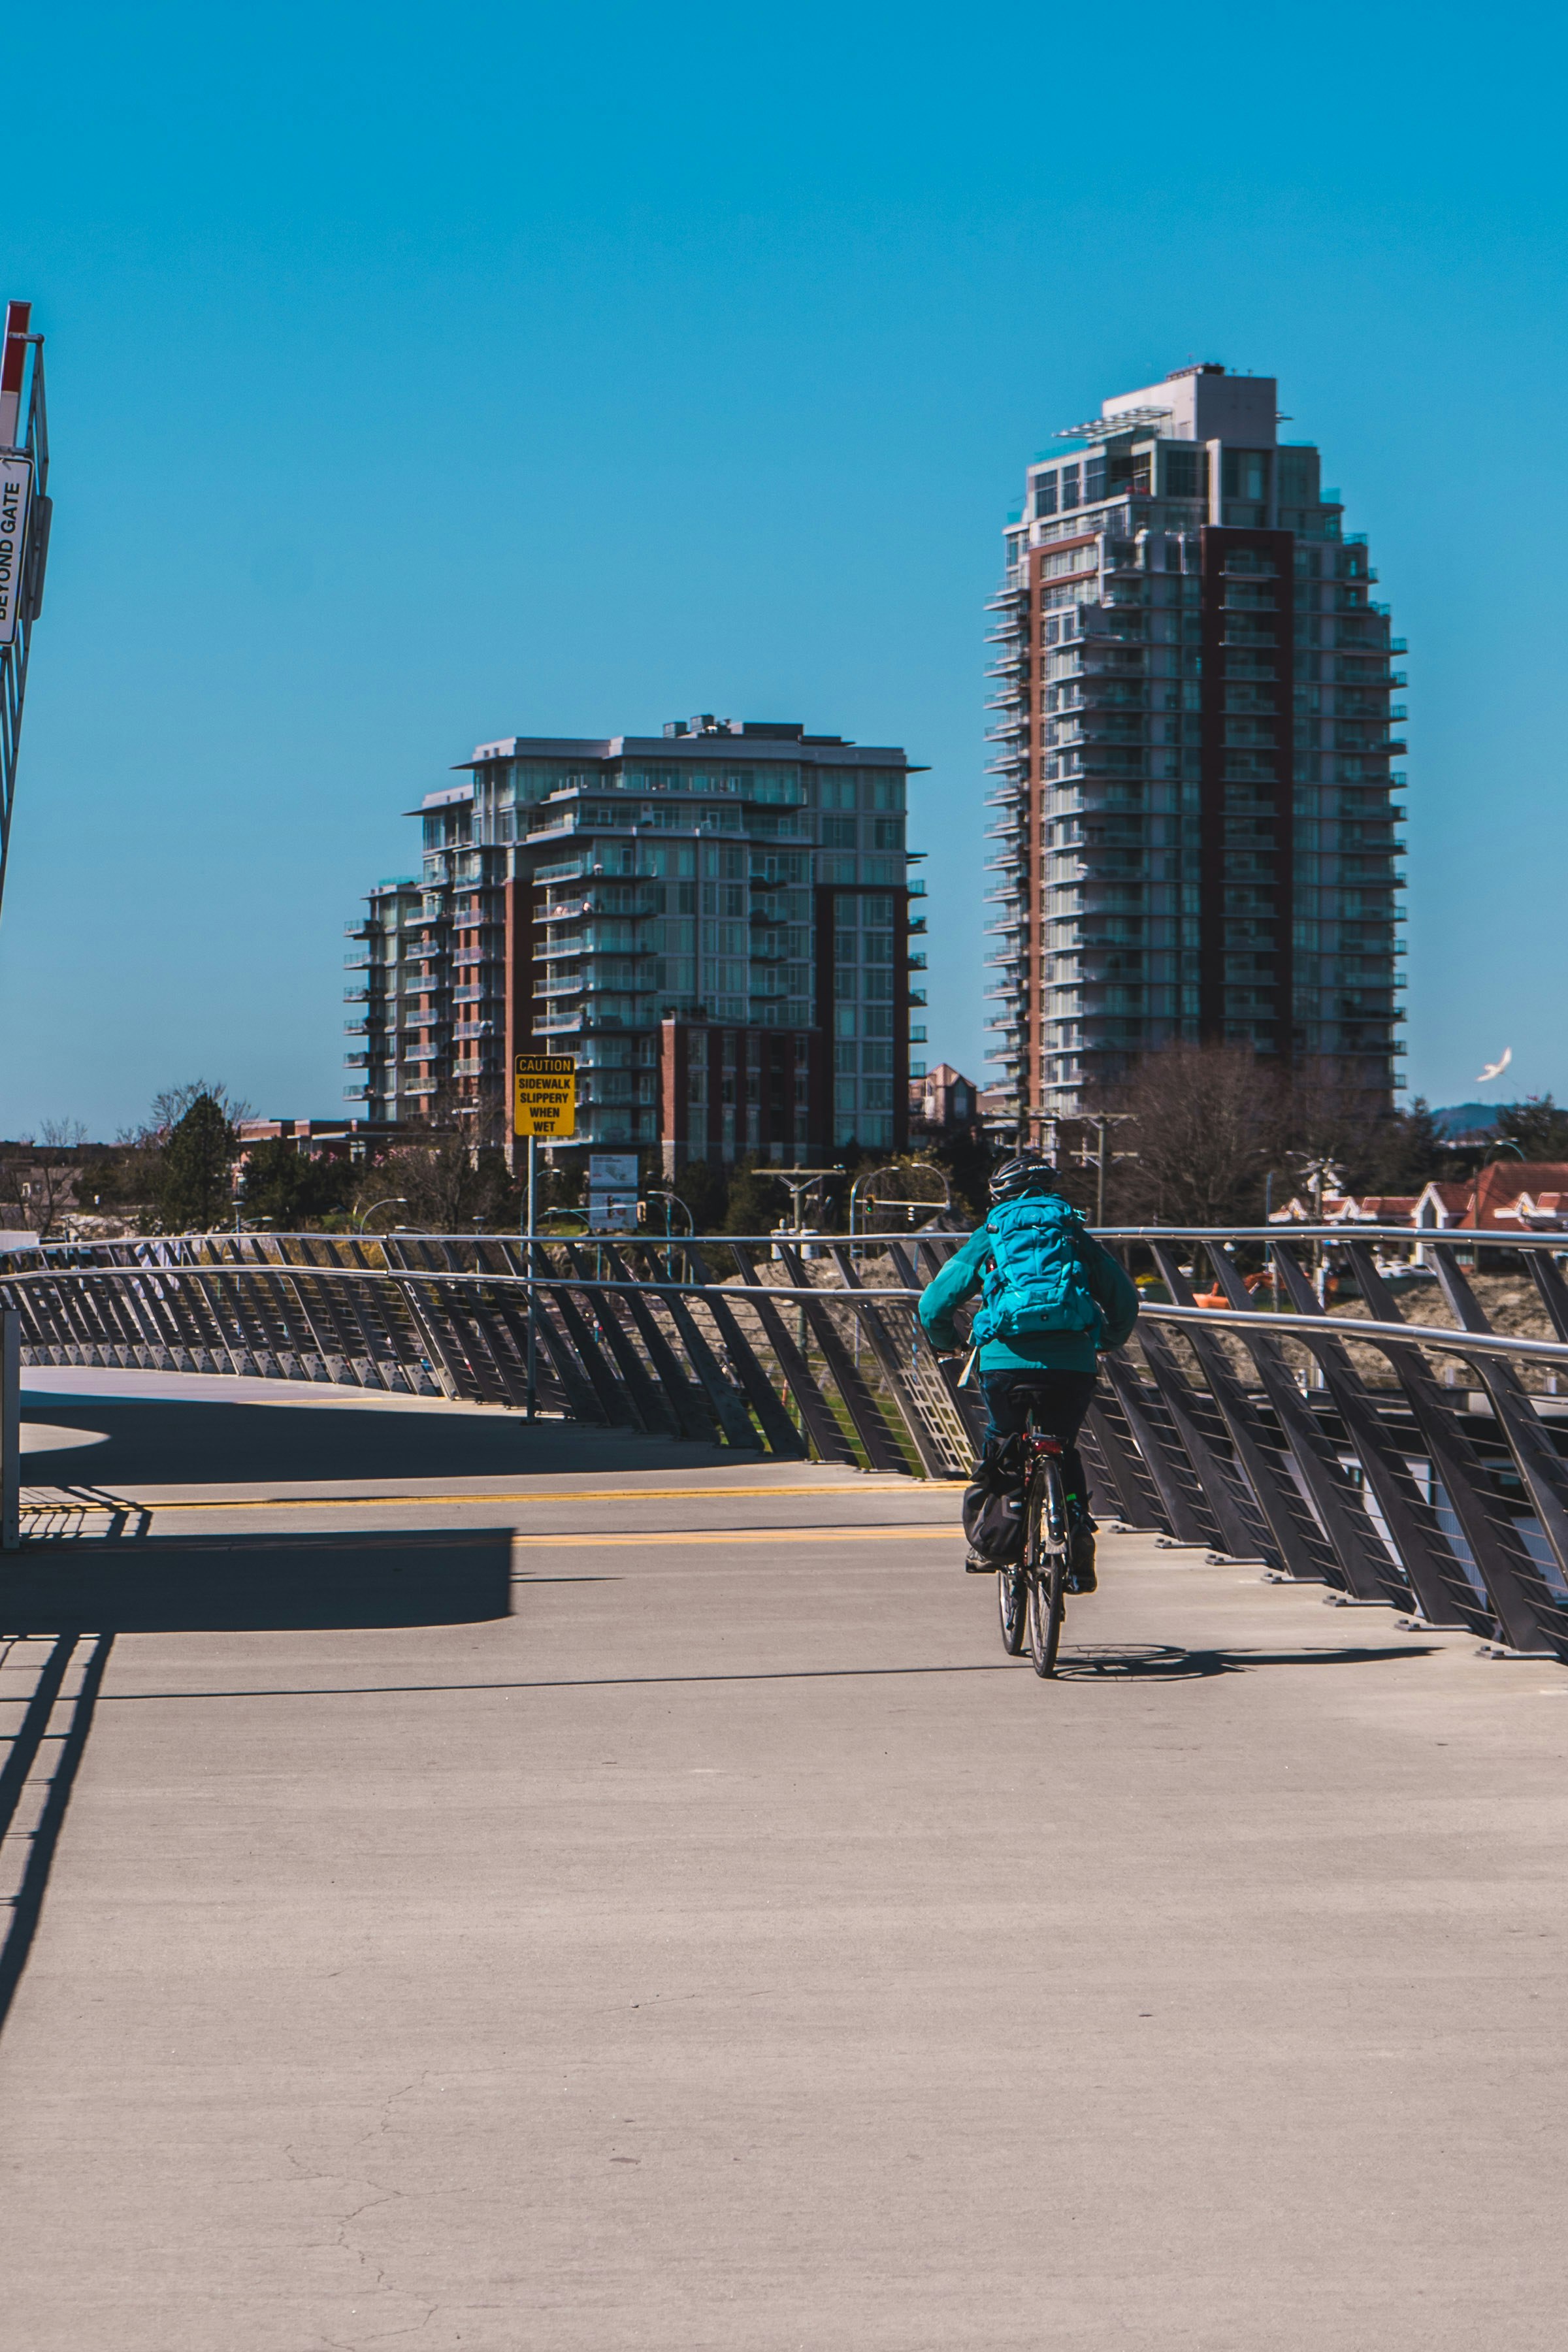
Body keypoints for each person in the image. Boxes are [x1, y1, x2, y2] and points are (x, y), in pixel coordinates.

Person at [917, 1152, 1139, 1589]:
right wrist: (1103, 1342)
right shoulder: (1072, 1233)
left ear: (999, 1195)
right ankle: (1075, 1528)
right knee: (1061, 1446)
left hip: (1005, 1363)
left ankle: (998, 1537)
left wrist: (948, 1344)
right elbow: (1124, 1301)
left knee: (1004, 1444)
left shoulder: (992, 1234)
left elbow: (933, 1305)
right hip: (1072, 1364)